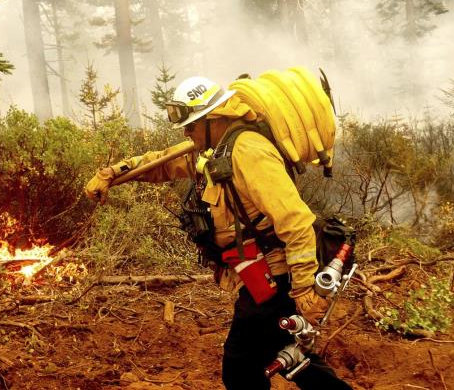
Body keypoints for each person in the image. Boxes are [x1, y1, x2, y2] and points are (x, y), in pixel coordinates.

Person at [84, 76, 352, 390]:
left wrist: (305, 288)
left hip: (276, 279)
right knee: (283, 357)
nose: (187, 133)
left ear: (214, 119)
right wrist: (113, 174)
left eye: (192, 126)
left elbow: (296, 222)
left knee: (239, 369)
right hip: (258, 277)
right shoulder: (217, 149)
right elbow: (164, 164)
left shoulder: (248, 152)